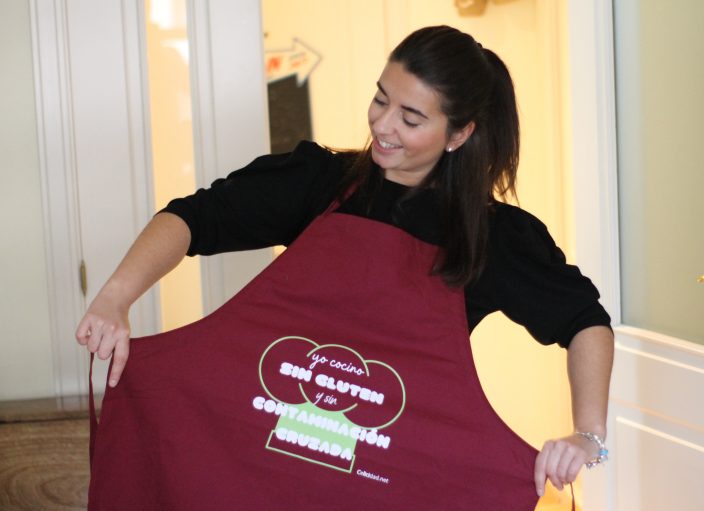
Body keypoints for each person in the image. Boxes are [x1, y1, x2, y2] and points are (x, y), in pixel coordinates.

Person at [78, 25, 613, 510]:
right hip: (265, 463)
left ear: (459, 134)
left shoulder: (491, 237)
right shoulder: (318, 182)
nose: (382, 124)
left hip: (380, 481)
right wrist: (115, 297)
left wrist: (587, 435)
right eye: (381, 99)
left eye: (411, 118)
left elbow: (583, 320)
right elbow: (193, 218)